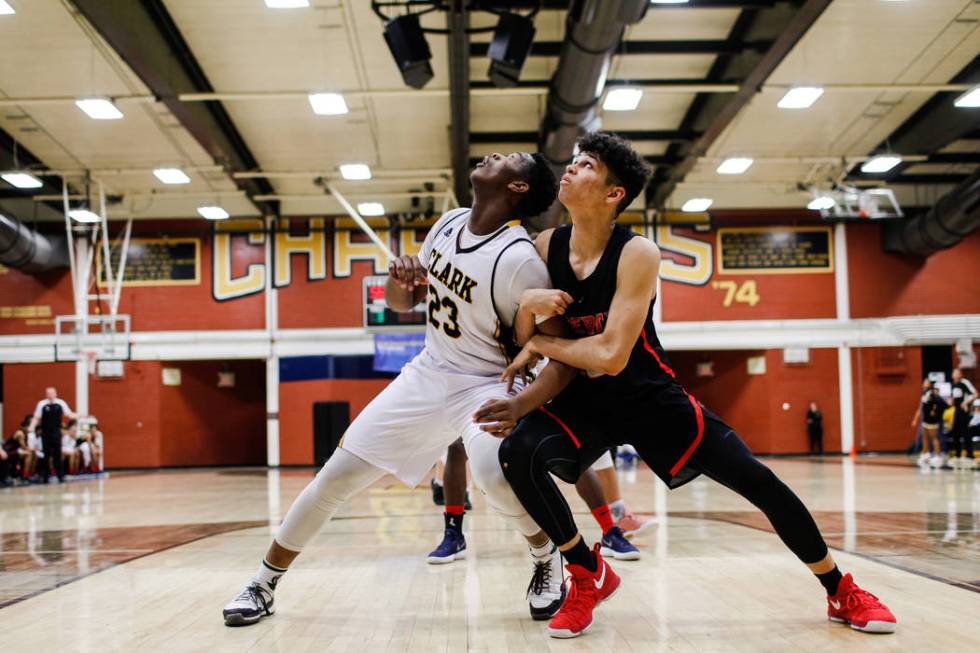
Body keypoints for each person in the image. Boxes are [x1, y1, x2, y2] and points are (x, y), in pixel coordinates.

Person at [475, 131, 896, 638]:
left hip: (648, 397)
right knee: (517, 453)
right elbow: (530, 334)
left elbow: (609, 356)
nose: (569, 169)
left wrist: (541, 345)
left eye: (585, 165)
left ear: (614, 194)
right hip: (583, 399)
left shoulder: (638, 253)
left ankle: (840, 588)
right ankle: (587, 573)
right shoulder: (547, 245)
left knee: (759, 482)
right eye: (574, 162)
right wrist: (527, 315)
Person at [222, 151, 574, 627]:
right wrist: (400, 283)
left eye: (509, 159)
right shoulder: (448, 223)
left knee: (495, 477)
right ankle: (262, 584)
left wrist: (521, 400)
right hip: (428, 372)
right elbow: (401, 301)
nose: (493, 155)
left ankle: (546, 558)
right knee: (336, 475)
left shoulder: (519, 262)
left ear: (517, 189)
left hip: (486, 384)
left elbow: (550, 345)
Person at [427, 452, 639, 564]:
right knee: (455, 446)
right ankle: (454, 534)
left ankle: (610, 531)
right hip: (483, 386)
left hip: (530, 387)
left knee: (575, 454)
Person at [28, 387, 77, 483]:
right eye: (48, 393)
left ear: (55, 394)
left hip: (56, 432)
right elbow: (36, 417)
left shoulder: (61, 403)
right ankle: (45, 476)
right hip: (45, 432)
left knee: (57, 454)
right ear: (46, 394)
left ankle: (60, 476)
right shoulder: (41, 404)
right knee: (46, 454)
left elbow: (70, 414)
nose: (49, 395)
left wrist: (80, 414)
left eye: (51, 393)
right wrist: (31, 426)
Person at [948, 368, 977, 469]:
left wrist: (966, 402)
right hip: (956, 411)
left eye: (956, 372)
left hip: (964, 411)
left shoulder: (965, 383)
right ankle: (958, 455)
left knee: (966, 433)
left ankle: (970, 455)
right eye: (954, 372)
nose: (955, 374)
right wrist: (951, 401)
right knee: (956, 432)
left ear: (960, 374)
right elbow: (953, 398)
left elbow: (975, 394)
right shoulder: (952, 384)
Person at [911, 379, 945, 467]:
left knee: (934, 438)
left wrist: (935, 410)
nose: (924, 383)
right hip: (925, 419)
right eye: (924, 382)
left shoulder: (933, 393)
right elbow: (921, 408)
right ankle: (926, 454)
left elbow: (939, 403)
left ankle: (938, 456)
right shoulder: (924, 393)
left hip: (932, 420)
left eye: (926, 382)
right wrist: (915, 419)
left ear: (930, 384)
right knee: (924, 437)